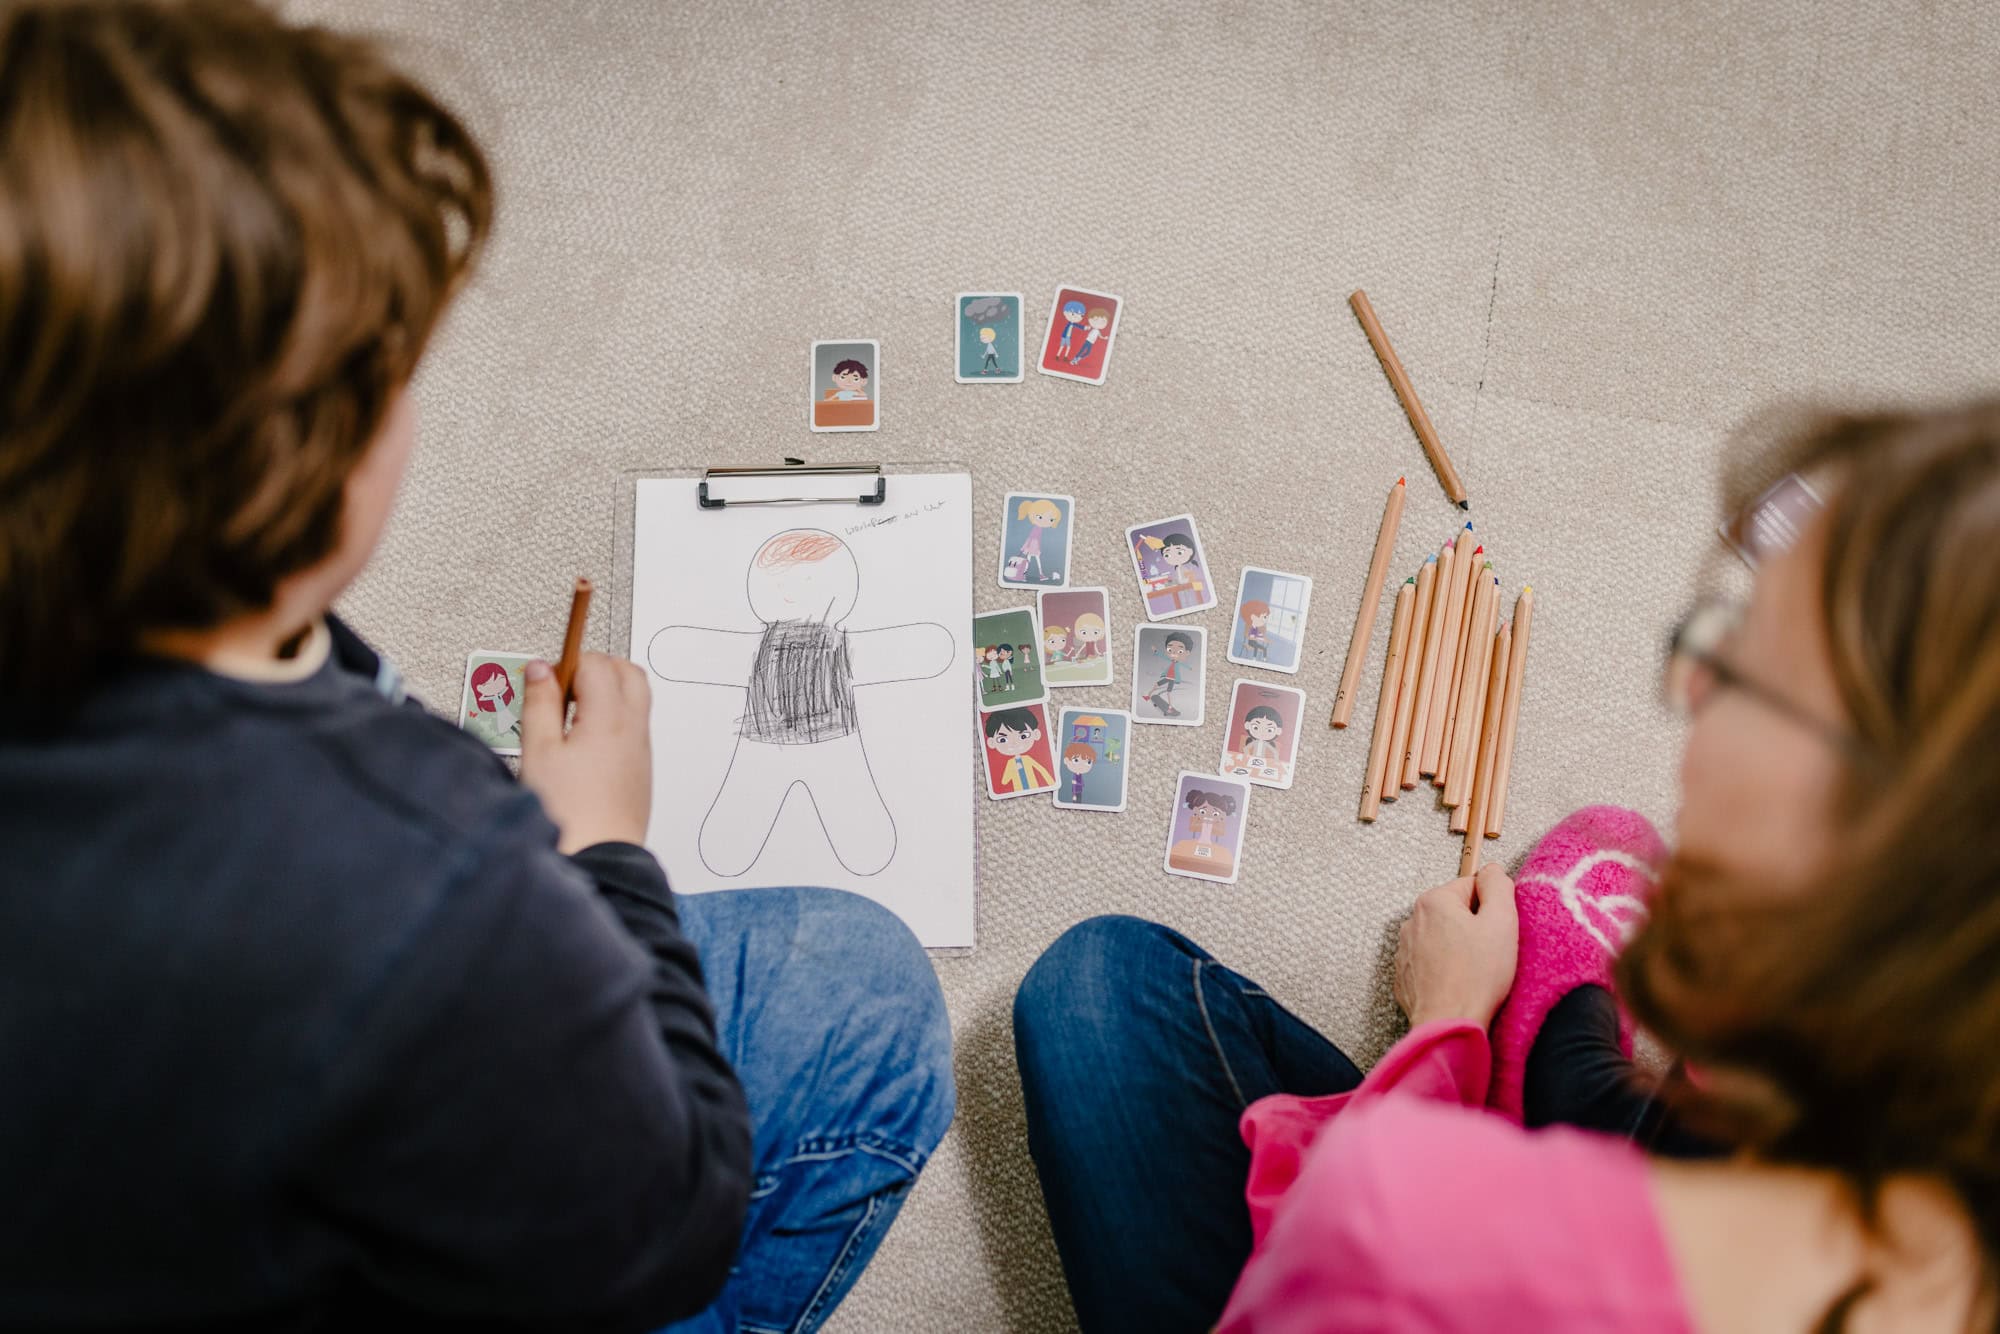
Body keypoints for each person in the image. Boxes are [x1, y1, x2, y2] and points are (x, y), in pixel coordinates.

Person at [0, 5, 953, 1332]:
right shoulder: (435, 864)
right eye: (391, 371)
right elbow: (661, 1218)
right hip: (405, 1178)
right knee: (863, 989)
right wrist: (602, 841)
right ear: (311, 469)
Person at [1015, 402, 2000, 1332]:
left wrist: (1445, 1020)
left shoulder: (1406, 1225)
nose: (1692, 683)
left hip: (1377, 1267)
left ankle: (1516, 1085)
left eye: (1741, 666)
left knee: (1095, 985)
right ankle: (1593, 1089)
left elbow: (1345, 1233)